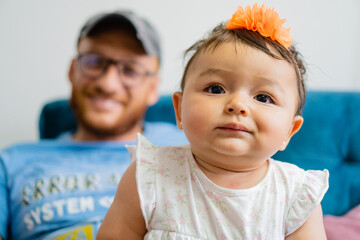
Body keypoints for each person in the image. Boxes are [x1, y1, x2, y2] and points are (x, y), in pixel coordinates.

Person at [97, 4, 329, 239]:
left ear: (290, 131)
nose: (237, 104)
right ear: (179, 110)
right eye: (215, 88)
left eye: (263, 97)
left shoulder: (297, 197)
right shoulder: (150, 176)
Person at [0, 10, 187, 240]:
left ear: (152, 89)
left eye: (130, 70)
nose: (107, 84)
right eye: (93, 61)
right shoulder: (10, 163)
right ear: (72, 71)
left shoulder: (194, 145)